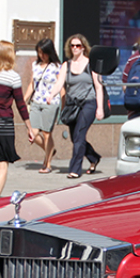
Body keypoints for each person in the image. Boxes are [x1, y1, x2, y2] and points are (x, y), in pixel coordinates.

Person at [0, 40, 37, 200]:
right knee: (3, 163)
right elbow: (20, 105)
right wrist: (29, 127)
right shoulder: (13, 77)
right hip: (2, 125)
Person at [54, 33, 106, 179]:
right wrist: (51, 95)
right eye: (72, 46)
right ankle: (94, 157)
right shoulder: (66, 65)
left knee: (79, 136)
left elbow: (98, 87)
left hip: (88, 103)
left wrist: (99, 108)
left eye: (78, 45)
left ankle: (75, 169)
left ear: (83, 47)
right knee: (76, 137)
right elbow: (59, 83)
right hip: (72, 105)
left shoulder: (91, 64)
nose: (75, 48)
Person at [26, 38, 63, 172]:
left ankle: (47, 164)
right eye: (39, 52)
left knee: (47, 133)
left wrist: (63, 104)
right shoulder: (35, 65)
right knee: (33, 133)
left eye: (44, 52)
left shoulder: (57, 67)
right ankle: (50, 151)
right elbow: (32, 83)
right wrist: (24, 99)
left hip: (50, 102)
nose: (41, 55)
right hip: (36, 101)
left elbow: (61, 86)